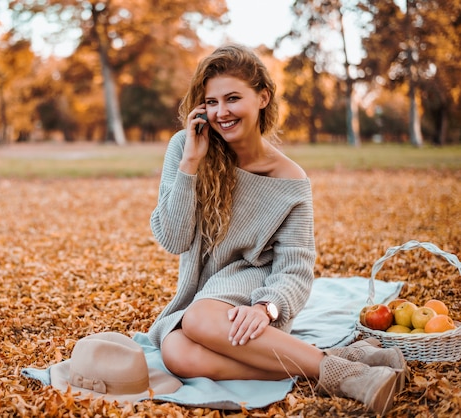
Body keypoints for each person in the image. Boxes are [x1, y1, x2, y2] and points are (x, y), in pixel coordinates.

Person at [146, 44, 406, 415]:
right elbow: (173, 240)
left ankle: (350, 379)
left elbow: (296, 267)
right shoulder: (187, 148)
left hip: (256, 293)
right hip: (203, 293)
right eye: (212, 102)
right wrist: (190, 164)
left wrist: (268, 308)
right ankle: (336, 361)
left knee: (199, 319)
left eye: (233, 98)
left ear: (262, 97)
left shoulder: (291, 180)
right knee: (176, 352)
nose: (222, 112)